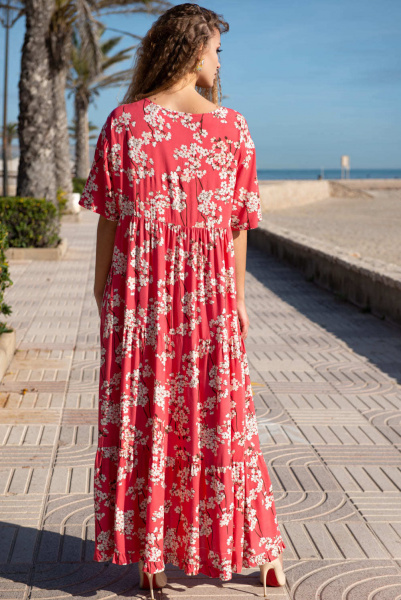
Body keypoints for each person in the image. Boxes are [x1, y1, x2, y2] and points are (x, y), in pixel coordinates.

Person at [78, 3, 286, 597]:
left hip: (140, 293)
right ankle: (263, 552)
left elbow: (110, 218)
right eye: (217, 50)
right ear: (195, 50)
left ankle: (152, 557)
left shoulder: (124, 123)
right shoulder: (233, 128)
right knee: (224, 416)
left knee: (147, 416)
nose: (220, 62)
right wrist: (237, 298)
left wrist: (103, 288)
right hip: (210, 296)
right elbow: (238, 225)